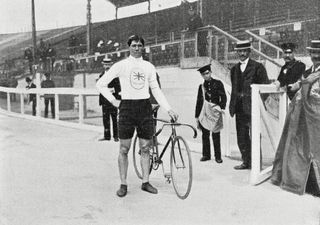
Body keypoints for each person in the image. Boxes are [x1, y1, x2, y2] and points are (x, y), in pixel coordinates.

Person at [96, 35, 178, 197]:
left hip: (144, 107)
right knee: (124, 148)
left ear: (143, 48)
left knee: (146, 148)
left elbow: (155, 89)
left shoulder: (148, 66)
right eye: (134, 45)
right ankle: (123, 184)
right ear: (129, 47)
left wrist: (168, 109)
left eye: (140, 45)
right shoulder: (121, 65)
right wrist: (114, 101)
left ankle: (146, 182)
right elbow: (100, 84)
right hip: (127, 108)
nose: (137, 48)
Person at [271, 39, 320, 196]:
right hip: (304, 117)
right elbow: (299, 83)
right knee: (302, 148)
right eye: (313, 53)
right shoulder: (309, 71)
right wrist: (291, 87)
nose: (315, 56)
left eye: (318, 53)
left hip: (316, 117)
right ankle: (307, 184)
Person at [229, 40, 269, 170]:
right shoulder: (234, 69)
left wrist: (257, 103)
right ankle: (246, 162)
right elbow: (234, 88)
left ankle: (257, 164)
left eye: (244, 51)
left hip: (252, 108)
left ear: (249, 52)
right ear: (237, 52)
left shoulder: (258, 67)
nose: (242, 53)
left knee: (255, 136)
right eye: (239, 51)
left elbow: (265, 89)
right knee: (242, 136)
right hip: (239, 108)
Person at [195, 64, 226, 163]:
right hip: (205, 113)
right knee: (205, 134)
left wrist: (221, 107)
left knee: (216, 134)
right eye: (203, 74)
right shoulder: (201, 87)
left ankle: (218, 156)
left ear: (211, 72)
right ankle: (206, 155)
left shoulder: (218, 83)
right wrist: (197, 116)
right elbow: (199, 102)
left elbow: (223, 97)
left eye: (207, 73)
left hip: (215, 112)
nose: (206, 76)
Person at [98, 57, 121, 142]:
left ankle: (116, 136)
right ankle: (106, 136)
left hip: (113, 100)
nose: (107, 66)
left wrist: (117, 99)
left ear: (111, 65)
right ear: (103, 65)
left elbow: (118, 88)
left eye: (108, 64)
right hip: (104, 101)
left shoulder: (115, 76)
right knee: (105, 119)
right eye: (105, 64)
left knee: (114, 118)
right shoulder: (101, 75)